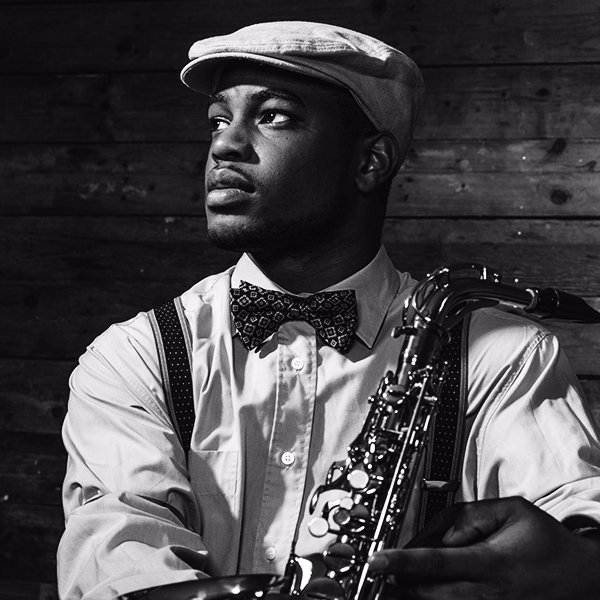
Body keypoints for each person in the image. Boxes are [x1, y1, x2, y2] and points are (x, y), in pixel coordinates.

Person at [57, 21, 600, 600]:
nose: (224, 145)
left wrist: (581, 561)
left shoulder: (502, 355)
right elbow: (117, 558)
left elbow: (574, 517)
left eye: (273, 116)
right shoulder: (133, 357)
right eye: (218, 119)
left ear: (371, 161)